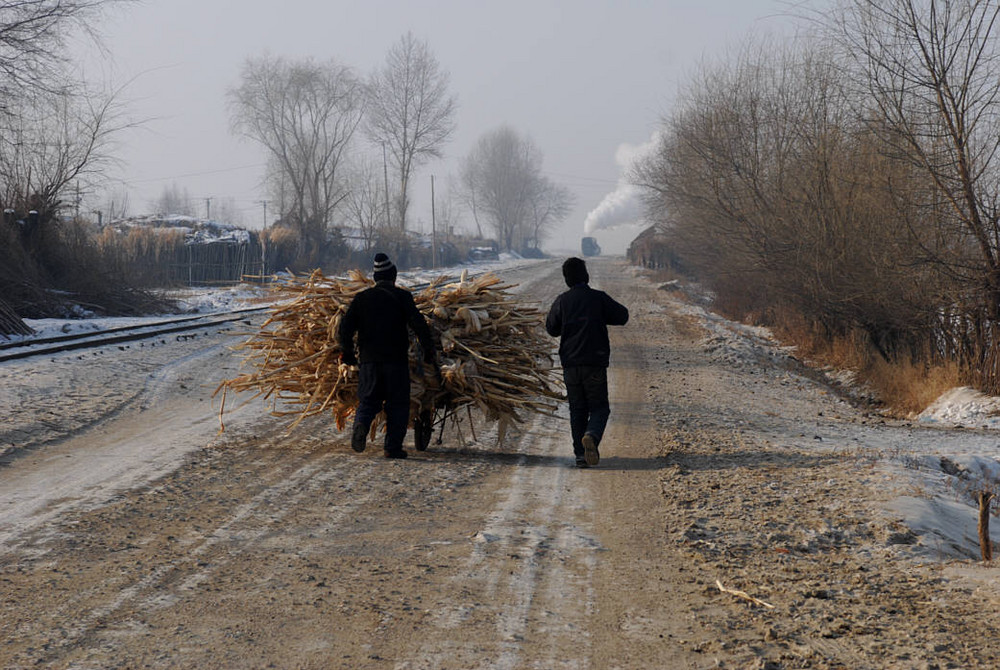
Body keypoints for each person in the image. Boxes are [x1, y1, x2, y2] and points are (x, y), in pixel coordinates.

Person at [338, 252, 437, 459]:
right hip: (395, 362)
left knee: (368, 401)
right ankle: (392, 448)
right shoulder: (402, 297)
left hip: (369, 362)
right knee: (397, 404)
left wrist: (347, 354)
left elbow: (344, 328)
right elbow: (419, 325)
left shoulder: (361, 299)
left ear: (375, 279)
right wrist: (429, 350)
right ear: (394, 276)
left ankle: (361, 425)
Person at [545, 257, 629, 468]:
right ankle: (591, 435)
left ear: (566, 279)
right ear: (586, 275)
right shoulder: (597, 298)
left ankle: (581, 456)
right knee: (600, 408)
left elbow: (551, 328)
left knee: (577, 409)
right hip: (594, 363)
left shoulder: (562, 301)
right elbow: (623, 316)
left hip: (571, 365)